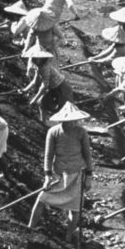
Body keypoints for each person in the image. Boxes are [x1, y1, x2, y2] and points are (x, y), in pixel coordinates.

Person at [28, 101, 93, 240]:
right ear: (61, 120)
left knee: (75, 209)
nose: (69, 124)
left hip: (77, 175)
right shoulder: (53, 132)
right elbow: (48, 155)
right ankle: (29, 228)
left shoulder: (81, 132)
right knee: (41, 199)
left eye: (72, 121)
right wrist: (47, 176)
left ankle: (68, 236)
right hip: (58, 175)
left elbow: (87, 155)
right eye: (66, 121)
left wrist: (89, 176)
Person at [22, 43, 74, 125]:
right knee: (42, 103)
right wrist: (24, 90)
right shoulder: (38, 68)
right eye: (34, 58)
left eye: (38, 58)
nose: (36, 60)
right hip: (54, 88)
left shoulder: (45, 68)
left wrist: (34, 99)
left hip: (63, 88)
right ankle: (43, 122)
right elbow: (34, 81)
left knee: (63, 110)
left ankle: (64, 127)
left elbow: (44, 86)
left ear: (43, 58)